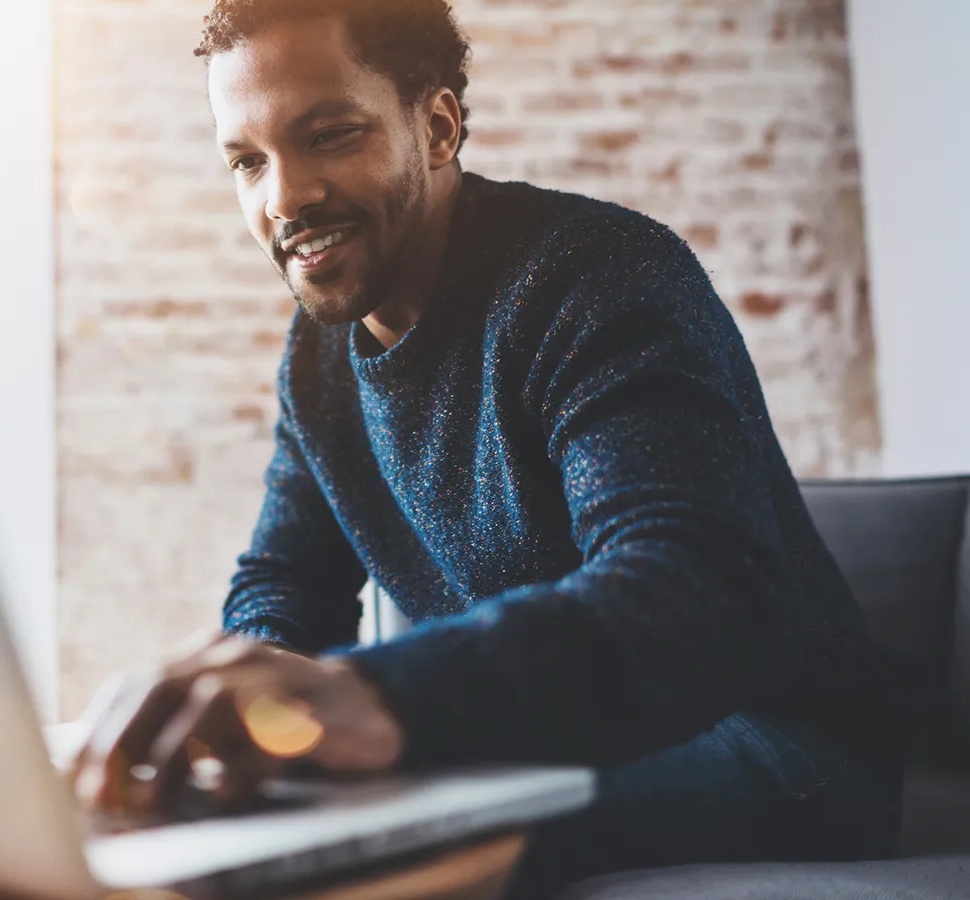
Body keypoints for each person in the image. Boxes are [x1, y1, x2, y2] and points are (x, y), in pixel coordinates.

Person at [70, 1, 918, 894]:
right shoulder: (319, 354)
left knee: (396, 848)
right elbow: (287, 581)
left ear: (435, 127)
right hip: (551, 733)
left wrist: (380, 695)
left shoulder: (600, 277)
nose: (283, 198)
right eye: (247, 161)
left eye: (329, 135)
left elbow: (690, 593)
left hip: (783, 740)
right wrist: (241, 706)